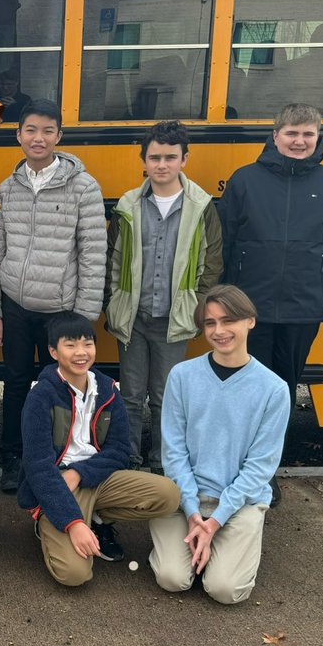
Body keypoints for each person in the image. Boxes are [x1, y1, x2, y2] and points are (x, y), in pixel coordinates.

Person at [0, 99, 106, 492]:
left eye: (47, 130)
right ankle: (13, 455)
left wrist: (83, 317)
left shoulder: (83, 187)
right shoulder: (7, 188)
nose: (39, 138)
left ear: (59, 136)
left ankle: (57, 456)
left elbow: (92, 251)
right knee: (15, 381)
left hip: (61, 309)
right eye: (31, 130)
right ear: (18, 135)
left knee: (59, 384)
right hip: (15, 305)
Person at [219, 102, 323, 412]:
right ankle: (238, 454)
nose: (300, 141)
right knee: (245, 384)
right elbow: (222, 244)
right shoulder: (244, 180)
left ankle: (270, 456)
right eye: (292, 133)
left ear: (318, 137)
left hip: (304, 309)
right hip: (248, 306)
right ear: (275, 135)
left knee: (283, 387)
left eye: (308, 134)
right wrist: (217, 304)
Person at [148, 285, 289, 605]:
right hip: (185, 498)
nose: (219, 330)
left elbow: (260, 467)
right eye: (210, 323)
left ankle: (222, 549)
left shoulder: (273, 389)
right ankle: (194, 549)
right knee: (172, 579)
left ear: (250, 321)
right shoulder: (182, 376)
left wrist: (215, 520)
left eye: (229, 321)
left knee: (225, 590)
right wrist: (194, 511)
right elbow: (173, 452)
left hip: (239, 503)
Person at [18, 312, 179, 587]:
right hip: (57, 486)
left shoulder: (107, 390)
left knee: (168, 495)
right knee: (75, 575)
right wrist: (73, 524)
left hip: (95, 478)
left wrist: (80, 473)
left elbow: (119, 450)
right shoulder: (41, 396)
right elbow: (38, 467)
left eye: (87, 343)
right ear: (53, 351)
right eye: (70, 345)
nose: (81, 352)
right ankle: (50, 521)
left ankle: (97, 517)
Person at [105, 120, 223, 472]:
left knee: (165, 397)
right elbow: (113, 257)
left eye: (170, 157)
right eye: (154, 157)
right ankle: (127, 459)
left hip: (175, 317)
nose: (162, 164)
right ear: (143, 160)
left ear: (184, 159)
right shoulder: (128, 206)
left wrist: (198, 308)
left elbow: (210, 263)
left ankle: (162, 462)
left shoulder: (202, 207)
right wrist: (113, 302)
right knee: (128, 395)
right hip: (134, 317)